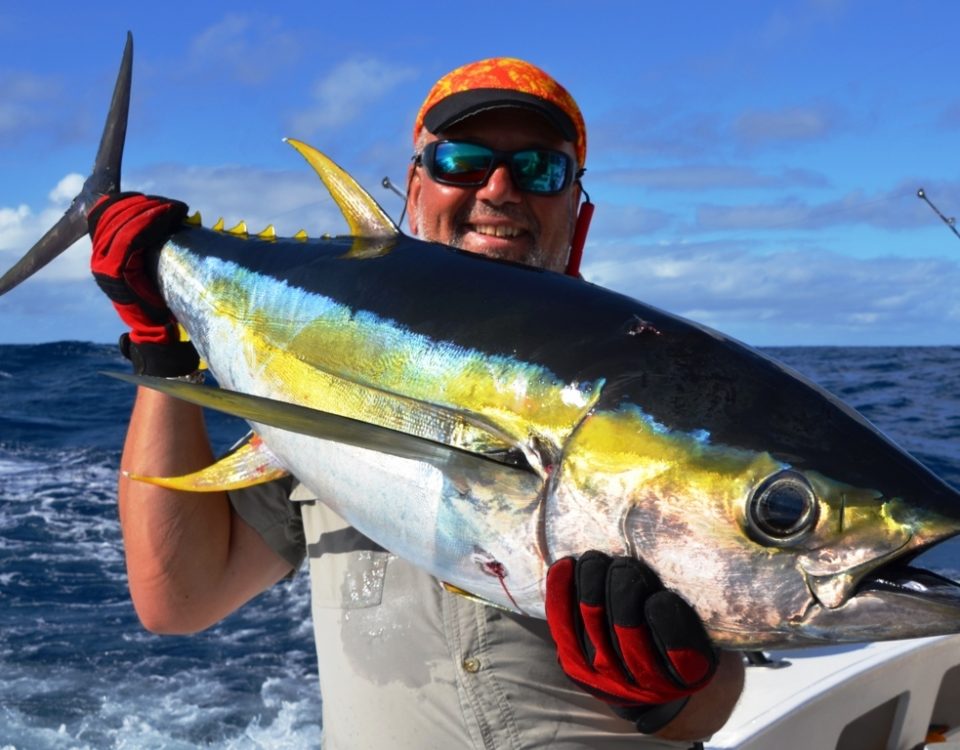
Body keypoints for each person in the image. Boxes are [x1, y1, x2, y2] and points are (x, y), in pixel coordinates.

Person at [88, 58, 745, 748]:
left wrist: (670, 695)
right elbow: (178, 599)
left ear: (577, 204)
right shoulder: (320, 371)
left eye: (539, 169)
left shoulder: (654, 394)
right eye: (460, 160)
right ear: (414, 185)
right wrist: (159, 345)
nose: (498, 189)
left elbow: (717, 700)